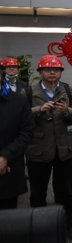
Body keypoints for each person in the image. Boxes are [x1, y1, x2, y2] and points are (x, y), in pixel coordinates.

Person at [24, 55, 72, 240]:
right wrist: (39, 110)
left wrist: (67, 111)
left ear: (60, 72)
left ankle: (71, 223)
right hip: (38, 149)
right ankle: (38, 227)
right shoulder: (28, 92)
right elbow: (20, 115)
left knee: (66, 190)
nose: (52, 73)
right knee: (38, 191)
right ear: (40, 72)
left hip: (64, 148)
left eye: (55, 70)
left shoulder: (69, 89)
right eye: (47, 70)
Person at [0, 73, 34, 210]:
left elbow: (27, 132)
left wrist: (5, 157)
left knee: (7, 218)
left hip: (8, 169)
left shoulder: (19, 101)